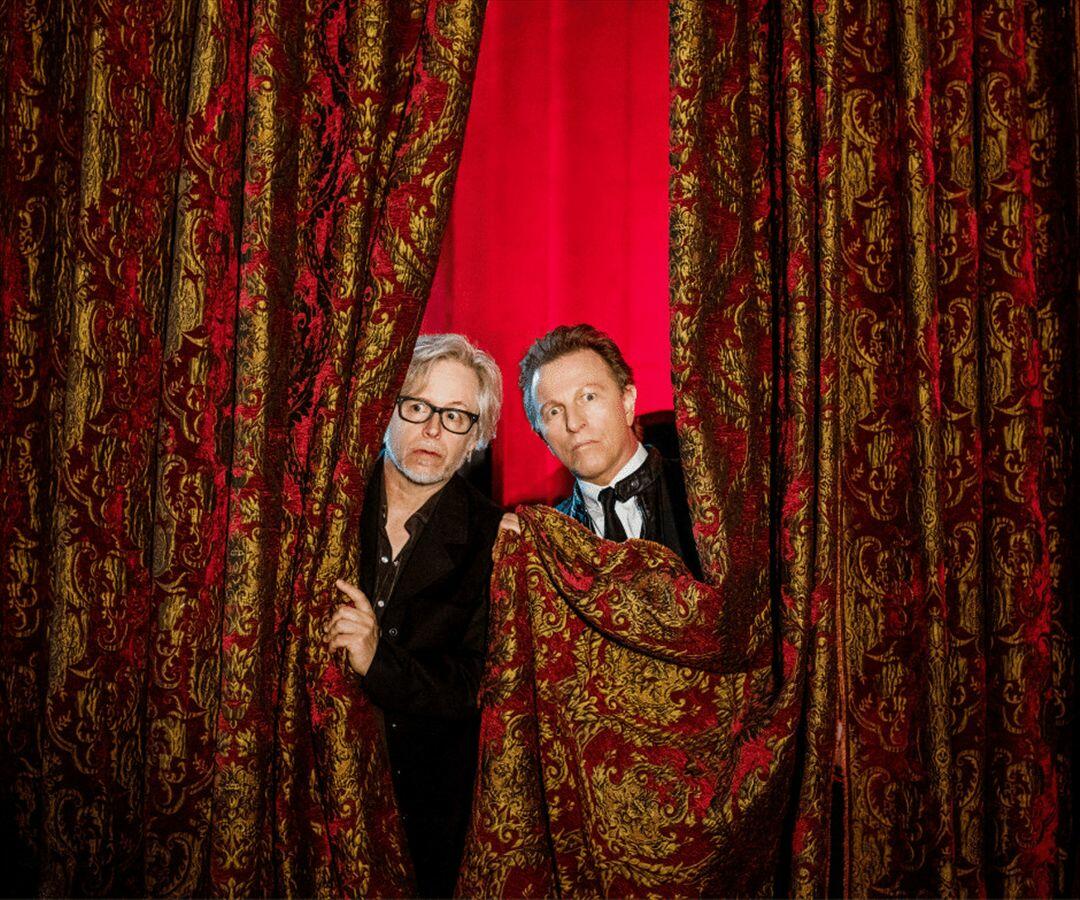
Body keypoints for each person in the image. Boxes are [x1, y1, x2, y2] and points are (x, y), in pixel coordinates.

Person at [324, 333, 507, 898]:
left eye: (455, 416)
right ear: (387, 410)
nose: (432, 430)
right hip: (309, 791)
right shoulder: (325, 503)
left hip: (421, 819)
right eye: (418, 406)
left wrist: (378, 660)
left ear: (476, 437)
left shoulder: (495, 539)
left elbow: (478, 684)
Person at [517, 323, 701, 578]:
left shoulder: (704, 492)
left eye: (588, 397)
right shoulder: (543, 544)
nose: (574, 423)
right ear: (543, 438)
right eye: (554, 411)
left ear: (627, 402)